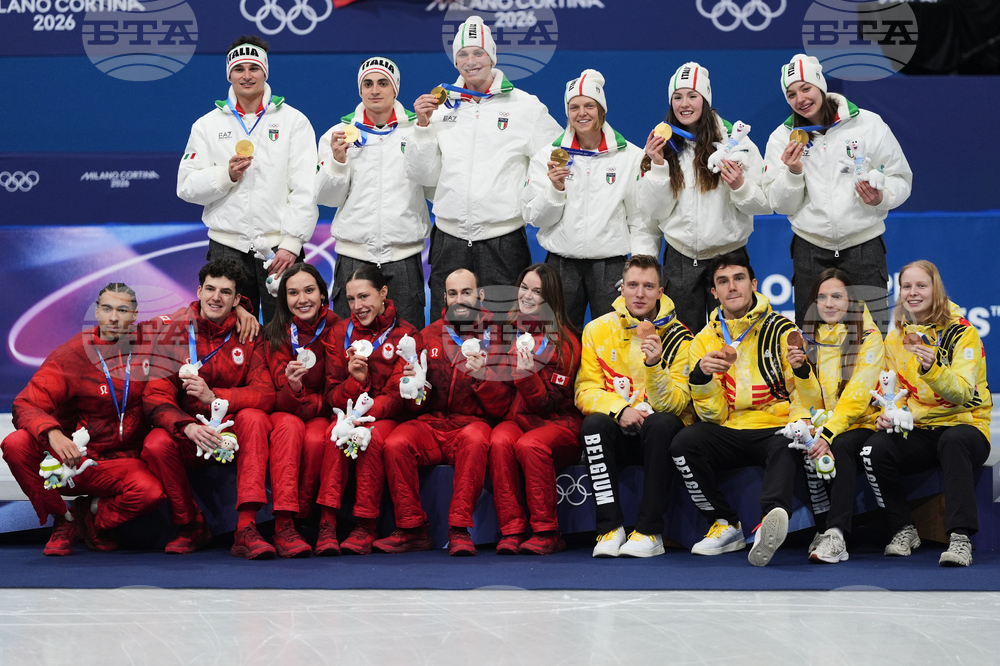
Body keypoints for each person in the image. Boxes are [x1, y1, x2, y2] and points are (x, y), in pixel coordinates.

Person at [405, 15, 562, 321]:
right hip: (449, 236)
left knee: (505, 326)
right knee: (446, 328)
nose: (470, 61)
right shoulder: (439, 108)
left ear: (492, 57)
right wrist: (422, 128)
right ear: (455, 61)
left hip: (503, 238)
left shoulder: (525, 106)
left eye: (478, 52)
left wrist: (531, 200)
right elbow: (423, 175)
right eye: (462, 54)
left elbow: (553, 156)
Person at [669, 252, 817, 567]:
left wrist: (798, 421)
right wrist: (702, 377)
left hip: (773, 427)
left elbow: (803, 396)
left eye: (738, 279)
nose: (732, 287)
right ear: (713, 292)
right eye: (722, 281)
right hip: (729, 429)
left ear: (753, 284)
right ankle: (725, 523)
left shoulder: (782, 328)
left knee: (785, 443)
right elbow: (713, 417)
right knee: (684, 442)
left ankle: (768, 524)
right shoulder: (704, 339)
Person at [1, 284, 165, 556]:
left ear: (135, 315)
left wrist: (241, 308)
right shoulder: (73, 354)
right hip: (70, 459)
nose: (114, 317)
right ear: (97, 312)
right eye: (107, 309)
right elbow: (24, 403)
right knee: (16, 443)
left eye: (122, 310)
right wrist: (53, 433)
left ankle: (89, 518)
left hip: (117, 461)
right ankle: (62, 520)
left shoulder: (147, 339)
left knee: (150, 493)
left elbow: (194, 314)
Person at [763, 54, 912, 333]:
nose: (800, 99)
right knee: (812, 342)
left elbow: (902, 179)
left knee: (871, 340)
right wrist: (793, 172)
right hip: (811, 249)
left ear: (820, 85)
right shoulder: (781, 138)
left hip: (864, 246)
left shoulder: (868, 124)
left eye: (806, 88)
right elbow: (780, 204)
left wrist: (882, 197)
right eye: (791, 94)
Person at [177, 34, 318, 323]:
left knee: (285, 333)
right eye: (239, 69)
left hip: (279, 249)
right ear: (229, 74)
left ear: (265, 71)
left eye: (254, 68)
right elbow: (186, 187)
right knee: (229, 334)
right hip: (226, 247)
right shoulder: (206, 125)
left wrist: (291, 244)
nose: (247, 75)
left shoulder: (294, 122)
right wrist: (225, 175)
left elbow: (305, 188)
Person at [142, 259, 277, 559]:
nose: (216, 297)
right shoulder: (173, 333)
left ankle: (246, 527)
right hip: (192, 434)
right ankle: (190, 525)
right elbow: (155, 396)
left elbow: (265, 394)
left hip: (231, 434)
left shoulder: (250, 333)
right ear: (199, 290)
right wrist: (187, 426)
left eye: (225, 292)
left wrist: (215, 396)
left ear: (237, 299)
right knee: (155, 443)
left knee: (254, 418)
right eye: (211, 289)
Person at [864, 260, 991, 567]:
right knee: (876, 448)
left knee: (953, 440)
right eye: (906, 286)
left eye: (921, 286)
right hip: (919, 428)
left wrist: (932, 367)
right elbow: (890, 390)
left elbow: (962, 393)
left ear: (936, 290)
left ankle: (960, 538)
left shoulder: (962, 333)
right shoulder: (895, 338)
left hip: (966, 425)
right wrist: (887, 413)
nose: (913, 293)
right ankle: (904, 529)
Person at [376, 268, 511, 556]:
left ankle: (459, 530)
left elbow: (502, 408)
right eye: (453, 293)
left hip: (473, 424)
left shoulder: (498, 338)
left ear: (480, 295)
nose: (459, 299)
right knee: (396, 443)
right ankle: (412, 529)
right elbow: (415, 405)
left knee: (475, 441)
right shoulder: (429, 335)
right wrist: (414, 386)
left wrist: (482, 376)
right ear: (445, 296)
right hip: (431, 424)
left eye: (466, 292)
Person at [574, 254, 694, 558]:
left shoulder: (681, 337)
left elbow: (678, 403)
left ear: (660, 292)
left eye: (648, 286)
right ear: (622, 289)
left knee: (661, 423)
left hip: (660, 435)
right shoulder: (597, 330)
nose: (640, 293)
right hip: (620, 429)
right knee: (594, 425)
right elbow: (585, 390)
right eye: (633, 285)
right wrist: (620, 409)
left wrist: (654, 366)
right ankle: (609, 528)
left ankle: (650, 531)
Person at [639, 62, 771, 332]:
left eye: (692, 96)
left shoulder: (737, 144)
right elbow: (654, 211)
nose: (684, 104)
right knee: (682, 343)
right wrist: (658, 166)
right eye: (677, 97)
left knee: (733, 341)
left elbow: (765, 204)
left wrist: (739, 185)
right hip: (680, 258)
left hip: (728, 258)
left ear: (706, 99)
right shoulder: (662, 145)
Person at [521, 69, 656, 330]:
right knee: (558, 341)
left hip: (611, 266)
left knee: (615, 340)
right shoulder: (547, 156)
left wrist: (639, 270)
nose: (581, 113)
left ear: (601, 109)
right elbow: (535, 218)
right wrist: (555, 190)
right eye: (574, 107)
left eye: (589, 105)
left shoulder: (629, 156)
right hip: (561, 264)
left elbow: (640, 219)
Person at [316, 57, 431, 328]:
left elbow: (432, 183)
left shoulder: (419, 130)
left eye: (383, 83)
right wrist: (337, 161)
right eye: (367, 84)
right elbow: (327, 199)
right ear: (360, 90)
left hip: (403, 256)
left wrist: (424, 134)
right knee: (348, 347)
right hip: (353, 255)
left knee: (408, 344)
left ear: (396, 89)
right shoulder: (338, 134)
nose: (375, 90)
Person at [315, 266, 417, 555]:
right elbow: (330, 396)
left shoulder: (405, 334)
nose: (357, 307)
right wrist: (354, 383)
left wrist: (364, 414)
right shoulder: (338, 333)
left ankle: (365, 525)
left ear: (383, 293)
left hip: (387, 417)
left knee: (369, 438)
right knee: (336, 435)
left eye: (364, 297)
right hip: (348, 412)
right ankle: (327, 524)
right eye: (350, 300)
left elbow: (398, 395)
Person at [784, 268, 884, 564]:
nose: (828, 304)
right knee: (800, 444)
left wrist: (826, 434)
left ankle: (837, 534)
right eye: (822, 297)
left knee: (838, 446)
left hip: (862, 423)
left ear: (851, 301)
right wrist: (802, 372)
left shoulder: (869, 337)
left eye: (837, 296)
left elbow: (856, 398)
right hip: (828, 423)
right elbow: (814, 400)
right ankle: (821, 528)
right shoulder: (811, 336)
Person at [488, 264, 583, 555]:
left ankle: (547, 531)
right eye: (524, 287)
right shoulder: (504, 333)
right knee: (499, 440)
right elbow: (498, 400)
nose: (527, 296)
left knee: (530, 445)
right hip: (517, 417)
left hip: (558, 424)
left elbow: (548, 404)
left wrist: (526, 376)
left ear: (550, 299)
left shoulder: (566, 343)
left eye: (537, 292)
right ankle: (512, 530)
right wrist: (481, 377)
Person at [260, 263, 340, 557]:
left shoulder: (340, 328)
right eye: (293, 293)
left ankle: (316, 521)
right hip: (287, 411)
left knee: (320, 438)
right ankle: (284, 524)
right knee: (289, 428)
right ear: (284, 299)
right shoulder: (275, 334)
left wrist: (317, 404)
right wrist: (292, 388)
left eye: (309, 290)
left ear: (322, 294)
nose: (302, 299)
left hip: (321, 412)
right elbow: (274, 399)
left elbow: (338, 389)